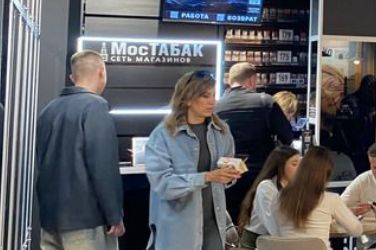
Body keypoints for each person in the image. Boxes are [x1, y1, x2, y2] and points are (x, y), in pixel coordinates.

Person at [36, 50, 124, 250]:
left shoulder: (49, 109)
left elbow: (41, 160)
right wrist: (114, 215)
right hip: (86, 220)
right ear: (102, 72)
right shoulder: (95, 106)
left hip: (50, 219)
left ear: (72, 77)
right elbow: (103, 166)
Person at [145, 70, 243, 250]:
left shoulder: (222, 131)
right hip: (178, 230)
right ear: (187, 99)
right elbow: (163, 185)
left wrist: (229, 175)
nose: (212, 101)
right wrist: (206, 177)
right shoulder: (163, 135)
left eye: (213, 95)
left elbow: (225, 176)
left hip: (214, 225)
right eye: (205, 96)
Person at [215, 62, 295, 214]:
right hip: (260, 172)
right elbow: (287, 136)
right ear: (252, 80)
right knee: (258, 217)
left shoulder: (216, 106)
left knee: (231, 217)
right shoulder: (265, 101)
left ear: (230, 80)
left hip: (227, 173)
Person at [265, 146, 363, 242]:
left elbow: (276, 229)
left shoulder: (279, 198)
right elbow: (356, 230)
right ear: (327, 174)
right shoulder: (331, 200)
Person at [236, 147, 301, 249]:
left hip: (282, 240)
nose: (300, 169)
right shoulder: (266, 187)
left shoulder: (295, 188)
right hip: (256, 243)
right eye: (294, 164)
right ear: (280, 166)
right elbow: (273, 224)